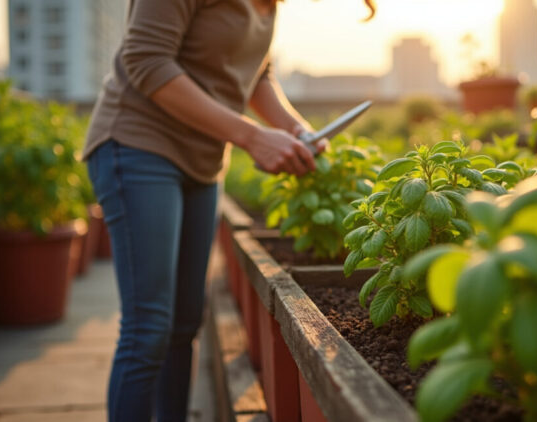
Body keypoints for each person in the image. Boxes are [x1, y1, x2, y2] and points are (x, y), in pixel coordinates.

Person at [81, 0, 376, 421]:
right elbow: (146, 62)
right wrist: (253, 138)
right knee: (148, 331)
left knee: (184, 326)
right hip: (137, 148)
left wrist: (295, 129)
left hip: (202, 162)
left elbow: (257, 73)